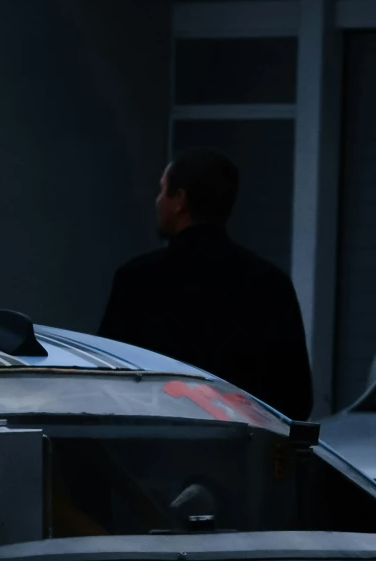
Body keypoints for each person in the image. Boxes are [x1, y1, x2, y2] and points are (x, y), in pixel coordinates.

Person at [99, 147, 315, 421]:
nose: (157, 201)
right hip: (241, 451)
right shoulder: (271, 283)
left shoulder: (139, 279)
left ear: (180, 200)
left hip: (156, 447)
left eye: (163, 190)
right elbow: (296, 399)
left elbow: (109, 379)